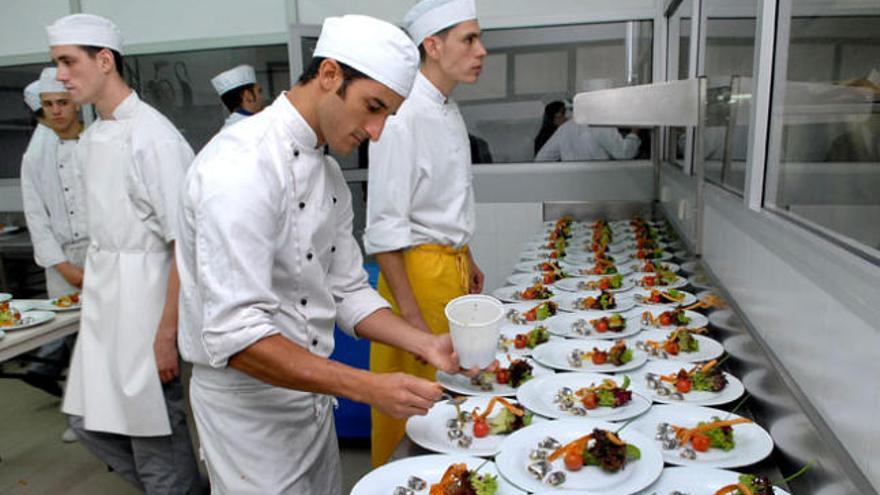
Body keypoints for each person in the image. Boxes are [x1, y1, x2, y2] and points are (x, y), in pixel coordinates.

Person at [176, 15, 479, 494]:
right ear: (331, 75)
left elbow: (347, 291)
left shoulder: (329, 175)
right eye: (373, 107)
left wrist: (423, 343)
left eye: (388, 116)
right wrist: (366, 386)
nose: (377, 131)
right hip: (249, 416)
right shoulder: (239, 167)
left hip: (311, 399)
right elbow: (236, 336)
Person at [47, 13, 200, 493]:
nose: (61, 76)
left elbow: (186, 243)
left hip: (148, 307)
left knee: (154, 437)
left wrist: (166, 333)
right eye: (57, 64)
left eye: (68, 63)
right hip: (105, 311)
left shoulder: (154, 138)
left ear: (105, 60)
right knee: (90, 422)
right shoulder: (94, 137)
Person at [364, 0, 487, 467]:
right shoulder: (404, 112)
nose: (481, 50)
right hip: (414, 276)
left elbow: (442, 202)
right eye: (469, 39)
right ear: (432, 46)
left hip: (448, 267)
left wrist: (467, 256)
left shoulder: (447, 108)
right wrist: (412, 320)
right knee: (417, 407)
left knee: (452, 394)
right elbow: (385, 229)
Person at [19, 69, 87, 443]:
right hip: (60, 261)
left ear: (76, 104)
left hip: (99, 252)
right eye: (48, 105)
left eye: (62, 103)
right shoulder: (34, 157)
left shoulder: (94, 144)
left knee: (110, 336)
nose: (56, 111)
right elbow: (37, 218)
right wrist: (65, 268)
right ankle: (79, 414)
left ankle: (117, 408)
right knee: (73, 337)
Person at [535, 120, 641, 161]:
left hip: (570, 189)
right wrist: (634, 132)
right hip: (598, 187)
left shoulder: (565, 127)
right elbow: (624, 153)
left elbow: (541, 159)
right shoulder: (600, 123)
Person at [211, 64, 266, 129]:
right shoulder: (249, 127)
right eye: (259, 92)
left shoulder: (230, 127)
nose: (263, 98)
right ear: (248, 95)